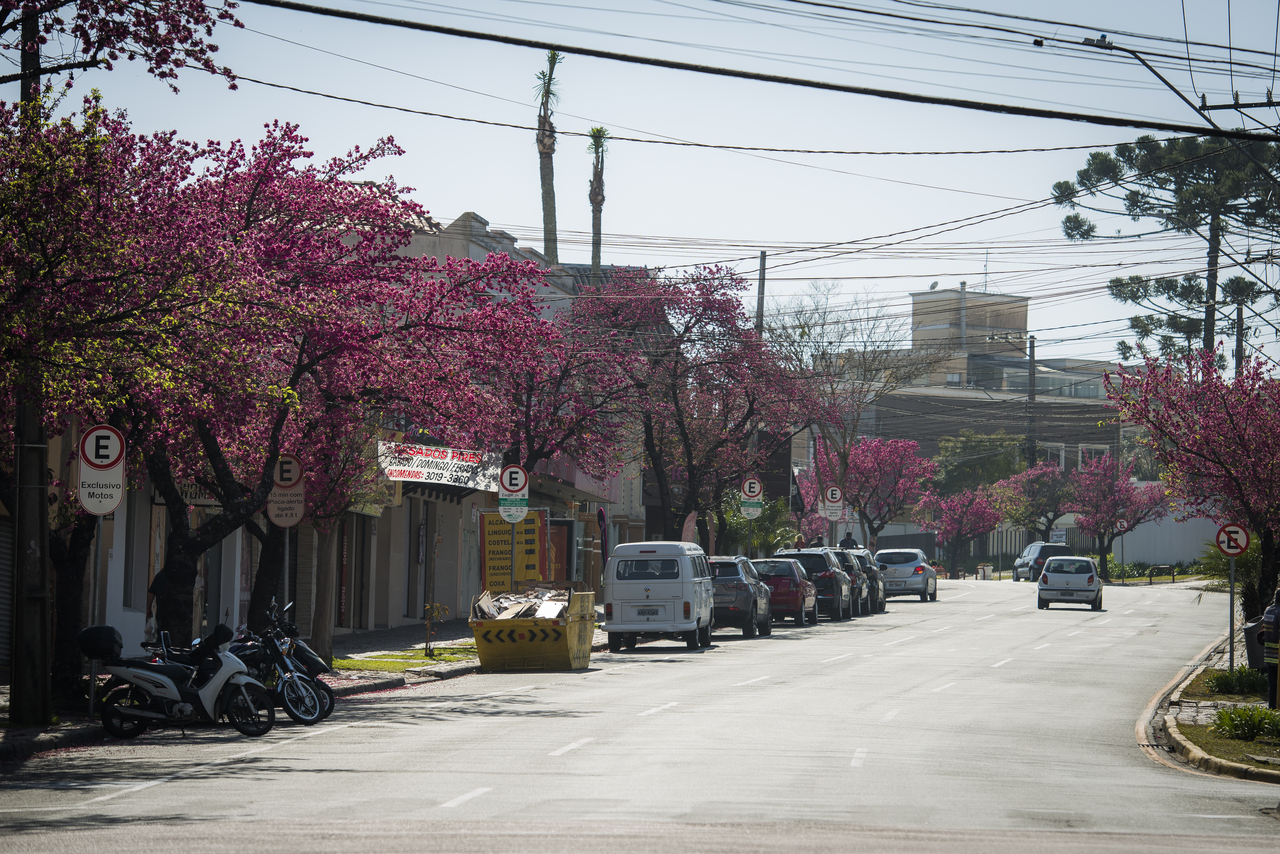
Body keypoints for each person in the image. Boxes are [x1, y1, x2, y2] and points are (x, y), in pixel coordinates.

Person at [1263, 589, 1279, 710]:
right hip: (1279, 654)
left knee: (1272, 683)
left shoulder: (1268, 610)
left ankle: (1271, 706)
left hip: (1269, 653)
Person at [145, 567, 168, 642]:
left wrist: (149, 609)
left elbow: (151, 593)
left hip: (160, 611)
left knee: (160, 632)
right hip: (173, 613)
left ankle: (160, 650)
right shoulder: (175, 577)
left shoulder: (159, 576)